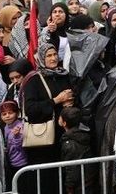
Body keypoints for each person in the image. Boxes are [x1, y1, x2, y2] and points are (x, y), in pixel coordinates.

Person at [20, 44, 73, 194]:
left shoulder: (63, 75)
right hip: (43, 141)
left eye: (55, 54)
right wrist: (56, 100)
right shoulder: (34, 80)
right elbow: (30, 109)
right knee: (45, 181)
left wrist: (70, 101)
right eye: (49, 55)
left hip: (62, 135)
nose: (53, 58)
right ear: (41, 58)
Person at [58, 107, 96, 194]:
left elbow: (72, 169)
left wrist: (69, 186)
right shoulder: (83, 134)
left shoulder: (70, 144)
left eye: (60, 117)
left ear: (64, 123)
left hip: (79, 185)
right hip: (87, 181)